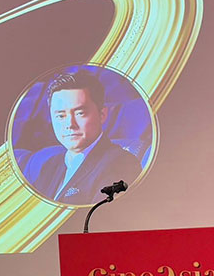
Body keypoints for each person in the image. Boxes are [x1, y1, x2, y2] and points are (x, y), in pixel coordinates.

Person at [18, 70, 141, 204]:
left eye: (80, 113)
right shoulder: (50, 165)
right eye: (60, 116)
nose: (70, 124)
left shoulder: (120, 163)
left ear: (102, 115)